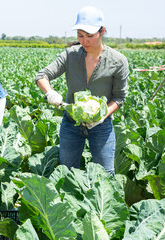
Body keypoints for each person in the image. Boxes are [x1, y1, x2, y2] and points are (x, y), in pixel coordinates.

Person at [35, 6, 129, 176]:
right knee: (68, 172)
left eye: (90, 36)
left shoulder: (118, 61)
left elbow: (119, 97)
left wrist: (102, 116)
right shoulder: (70, 55)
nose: (85, 41)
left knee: (105, 174)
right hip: (71, 123)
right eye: (80, 36)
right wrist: (50, 92)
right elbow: (42, 76)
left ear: (102, 32)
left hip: (102, 125)